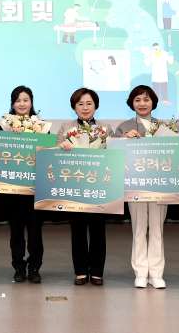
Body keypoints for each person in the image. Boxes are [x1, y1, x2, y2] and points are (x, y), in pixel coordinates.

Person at [115, 85, 168, 289]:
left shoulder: (165, 127)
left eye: (146, 99)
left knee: (157, 228)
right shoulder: (124, 127)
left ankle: (156, 273)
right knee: (138, 228)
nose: (142, 104)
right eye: (137, 100)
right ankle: (140, 272)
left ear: (153, 102)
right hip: (134, 185)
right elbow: (114, 152)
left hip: (159, 185)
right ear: (132, 103)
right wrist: (123, 139)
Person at [56, 87, 110, 286]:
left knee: (98, 230)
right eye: (80, 104)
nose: (85, 108)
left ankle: (97, 271)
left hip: (99, 186)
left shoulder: (106, 129)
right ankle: (80, 271)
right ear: (74, 107)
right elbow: (55, 155)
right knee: (77, 229)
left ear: (96, 106)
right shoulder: (65, 128)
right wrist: (62, 147)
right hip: (75, 186)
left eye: (89, 103)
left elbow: (113, 156)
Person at [3, 85, 45, 284]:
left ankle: (34, 267)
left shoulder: (42, 126)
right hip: (14, 189)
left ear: (31, 102)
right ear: (13, 104)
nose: (22, 104)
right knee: (16, 231)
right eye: (18, 100)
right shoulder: (4, 126)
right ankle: (18, 267)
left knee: (36, 231)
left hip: (36, 188)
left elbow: (48, 153)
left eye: (25, 100)